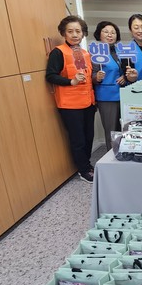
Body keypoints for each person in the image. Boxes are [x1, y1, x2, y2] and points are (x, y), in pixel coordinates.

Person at [45, 15, 96, 183]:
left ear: (83, 33)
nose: (75, 35)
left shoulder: (85, 53)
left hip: (88, 102)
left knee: (89, 136)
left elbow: (88, 77)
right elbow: (50, 75)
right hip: (70, 105)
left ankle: (87, 164)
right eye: (70, 31)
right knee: (78, 139)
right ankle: (83, 170)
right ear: (63, 33)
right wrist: (71, 81)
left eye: (78, 31)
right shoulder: (59, 52)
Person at [92, 21, 138, 151]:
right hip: (107, 97)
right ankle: (111, 156)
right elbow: (92, 75)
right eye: (106, 32)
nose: (110, 35)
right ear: (99, 34)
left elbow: (127, 70)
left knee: (126, 128)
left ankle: (126, 153)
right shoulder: (96, 53)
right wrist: (97, 77)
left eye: (113, 32)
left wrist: (125, 77)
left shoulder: (122, 50)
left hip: (124, 94)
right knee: (111, 130)